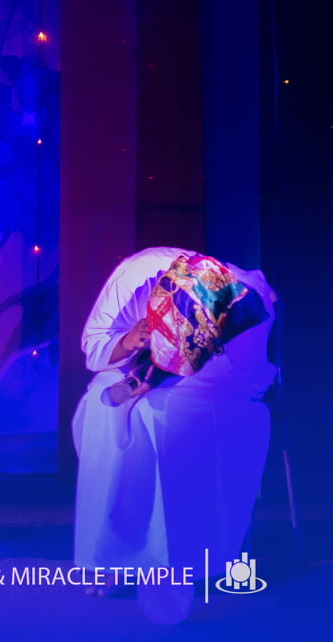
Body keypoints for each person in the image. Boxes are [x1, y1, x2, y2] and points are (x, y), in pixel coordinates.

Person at [73, 247, 276, 596]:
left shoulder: (243, 299)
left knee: (173, 412)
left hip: (219, 372)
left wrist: (188, 361)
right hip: (135, 361)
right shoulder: (133, 279)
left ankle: (185, 560)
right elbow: (94, 346)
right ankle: (114, 557)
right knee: (101, 404)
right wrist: (128, 341)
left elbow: (249, 375)